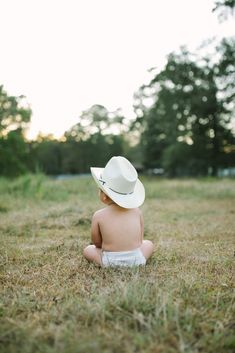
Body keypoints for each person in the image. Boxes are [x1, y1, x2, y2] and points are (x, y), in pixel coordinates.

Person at [83, 156, 154, 267]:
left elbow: (96, 243)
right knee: (148, 244)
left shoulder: (98, 215)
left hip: (109, 261)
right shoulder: (137, 212)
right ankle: (136, 262)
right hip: (136, 259)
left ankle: (104, 263)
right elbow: (140, 241)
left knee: (88, 250)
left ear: (104, 196)